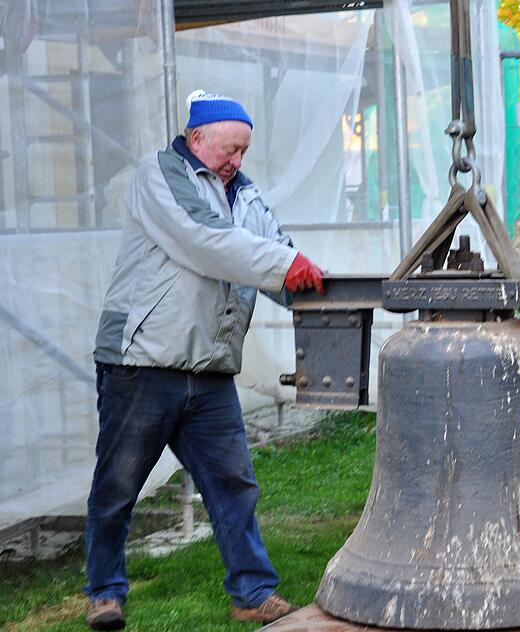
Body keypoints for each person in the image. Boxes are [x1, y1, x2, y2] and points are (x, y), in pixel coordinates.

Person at [84, 90, 324, 630]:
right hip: (141, 363)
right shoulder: (160, 175)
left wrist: (313, 284)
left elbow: (272, 249)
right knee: (118, 483)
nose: (238, 161)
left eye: (244, 151)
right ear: (198, 138)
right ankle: (104, 591)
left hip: (208, 369)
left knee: (233, 484)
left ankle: (253, 594)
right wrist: (286, 264)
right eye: (230, 149)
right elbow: (204, 239)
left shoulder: (244, 193)